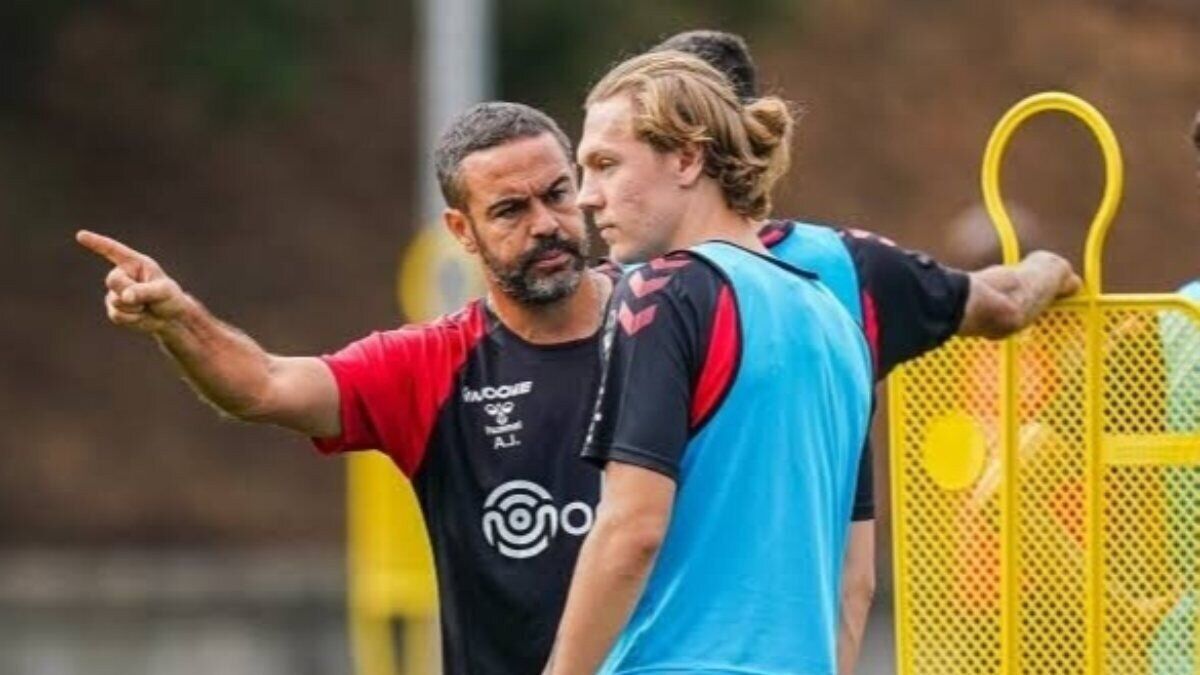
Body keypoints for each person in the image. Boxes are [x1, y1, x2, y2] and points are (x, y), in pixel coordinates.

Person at [77, 101, 615, 675]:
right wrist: (178, 320)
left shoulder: (665, 317)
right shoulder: (430, 365)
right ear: (462, 231)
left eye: (557, 194)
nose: (545, 224)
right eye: (510, 210)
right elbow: (263, 386)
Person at [657, 29, 1082, 673]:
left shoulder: (628, 292)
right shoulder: (846, 265)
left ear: (684, 149)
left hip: (667, 648)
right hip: (806, 644)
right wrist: (1048, 269)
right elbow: (1002, 303)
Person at [546, 49, 876, 675]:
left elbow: (632, 531)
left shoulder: (662, 291)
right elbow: (856, 583)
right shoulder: (840, 325)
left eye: (607, 164)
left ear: (687, 158)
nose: (586, 197)